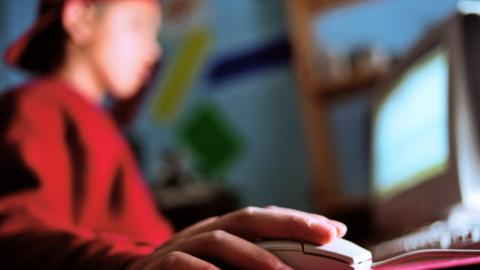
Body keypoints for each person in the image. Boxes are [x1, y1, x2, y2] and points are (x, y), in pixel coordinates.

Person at [0, 0, 348, 269]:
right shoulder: (36, 104)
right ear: (79, 17)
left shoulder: (100, 122)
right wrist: (135, 262)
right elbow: (14, 235)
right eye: (138, 26)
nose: (154, 51)